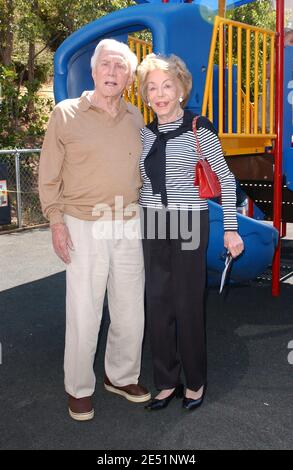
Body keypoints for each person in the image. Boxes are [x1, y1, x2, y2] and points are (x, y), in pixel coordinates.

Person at [38, 39, 151, 421]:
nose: (112, 73)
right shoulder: (65, 114)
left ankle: (120, 376)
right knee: (85, 312)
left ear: (129, 77)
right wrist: (56, 222)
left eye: (121, 67)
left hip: (128, 222)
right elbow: (48, 175)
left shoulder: (136, 117)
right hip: (82, 223)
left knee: (131, 310)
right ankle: (79, 388)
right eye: (106, 65)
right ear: (93, 69)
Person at [137, 53, 244, 411]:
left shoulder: (199, 127)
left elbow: (226, 180)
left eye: (167, 85)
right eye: (152, 87)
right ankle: (166, 381)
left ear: (181, 89)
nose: (160, 93)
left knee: (187, 304)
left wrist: (230, 228)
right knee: (157, 303)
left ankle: (195, 382)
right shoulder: (144, 134)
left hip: (187, 221)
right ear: (145, 95)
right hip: (152, 223)